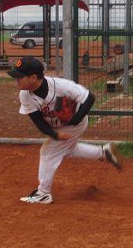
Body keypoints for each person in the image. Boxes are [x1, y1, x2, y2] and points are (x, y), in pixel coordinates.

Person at [7, 56, 121, 204]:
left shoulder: (61, 86)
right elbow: (38, 121)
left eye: (20, 77)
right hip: (58, 127)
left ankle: (43, 193)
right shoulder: (25, 95)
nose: (16, 80)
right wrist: (55, 135)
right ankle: (103, 152)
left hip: (76, 124)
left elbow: (89, 97)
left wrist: (75, 119)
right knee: (67, 149)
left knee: (48, 151)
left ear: (33, 78)